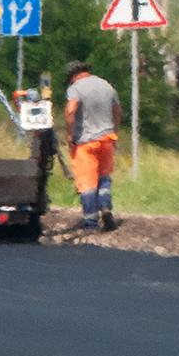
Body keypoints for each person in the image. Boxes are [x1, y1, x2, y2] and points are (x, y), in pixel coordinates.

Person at [64, 59, 122, 232]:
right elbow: (118, 111)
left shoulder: (75, 88)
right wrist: (115, 132)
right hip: (107, 138)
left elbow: (70, 110)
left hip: (85, 142)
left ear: (73, 76)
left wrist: (69, 134)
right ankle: (105, 207)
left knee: (87, 183)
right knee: (104, 177)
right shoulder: (107, 85)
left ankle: (91, 223)